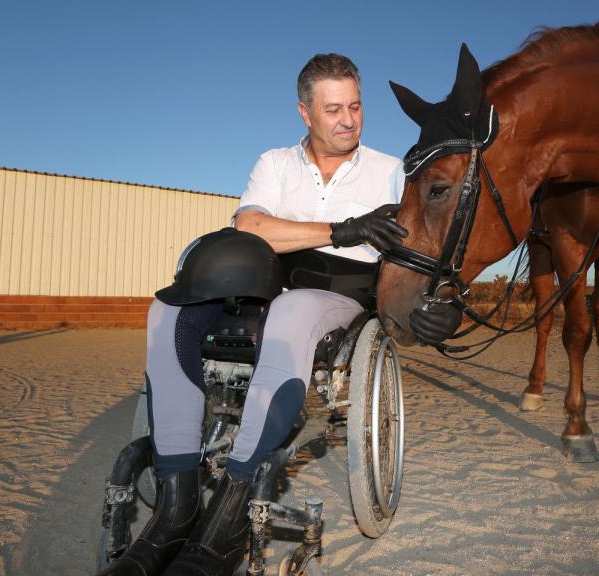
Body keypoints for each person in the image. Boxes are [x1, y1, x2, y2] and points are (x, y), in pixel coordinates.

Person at [97, 53, 407, 576]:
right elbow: (251, 228)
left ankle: (229, 517)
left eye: (355, 106)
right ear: (305, 112)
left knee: (291, 310)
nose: (348, 119)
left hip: (341, 296)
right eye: (333, 109)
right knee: (169, 310)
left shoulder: (389, 171)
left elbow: (408, 251)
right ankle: (175, 508)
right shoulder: (275, 163)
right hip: (266, 284)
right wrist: (344, 230)